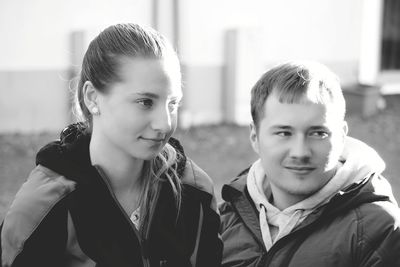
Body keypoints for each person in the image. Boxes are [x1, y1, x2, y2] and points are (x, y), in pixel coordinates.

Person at [1, 23, 222, 267]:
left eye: (172, 104)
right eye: (145, 102)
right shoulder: (43, 207)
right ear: (92, 98)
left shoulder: (195, 191)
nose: (165, 123)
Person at [219, 61, 400, 266]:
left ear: (341, 137)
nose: (300, 152)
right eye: (284, 133)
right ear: (255, 136)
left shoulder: (378, 230)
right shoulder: (224, 217)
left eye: (318, 133)